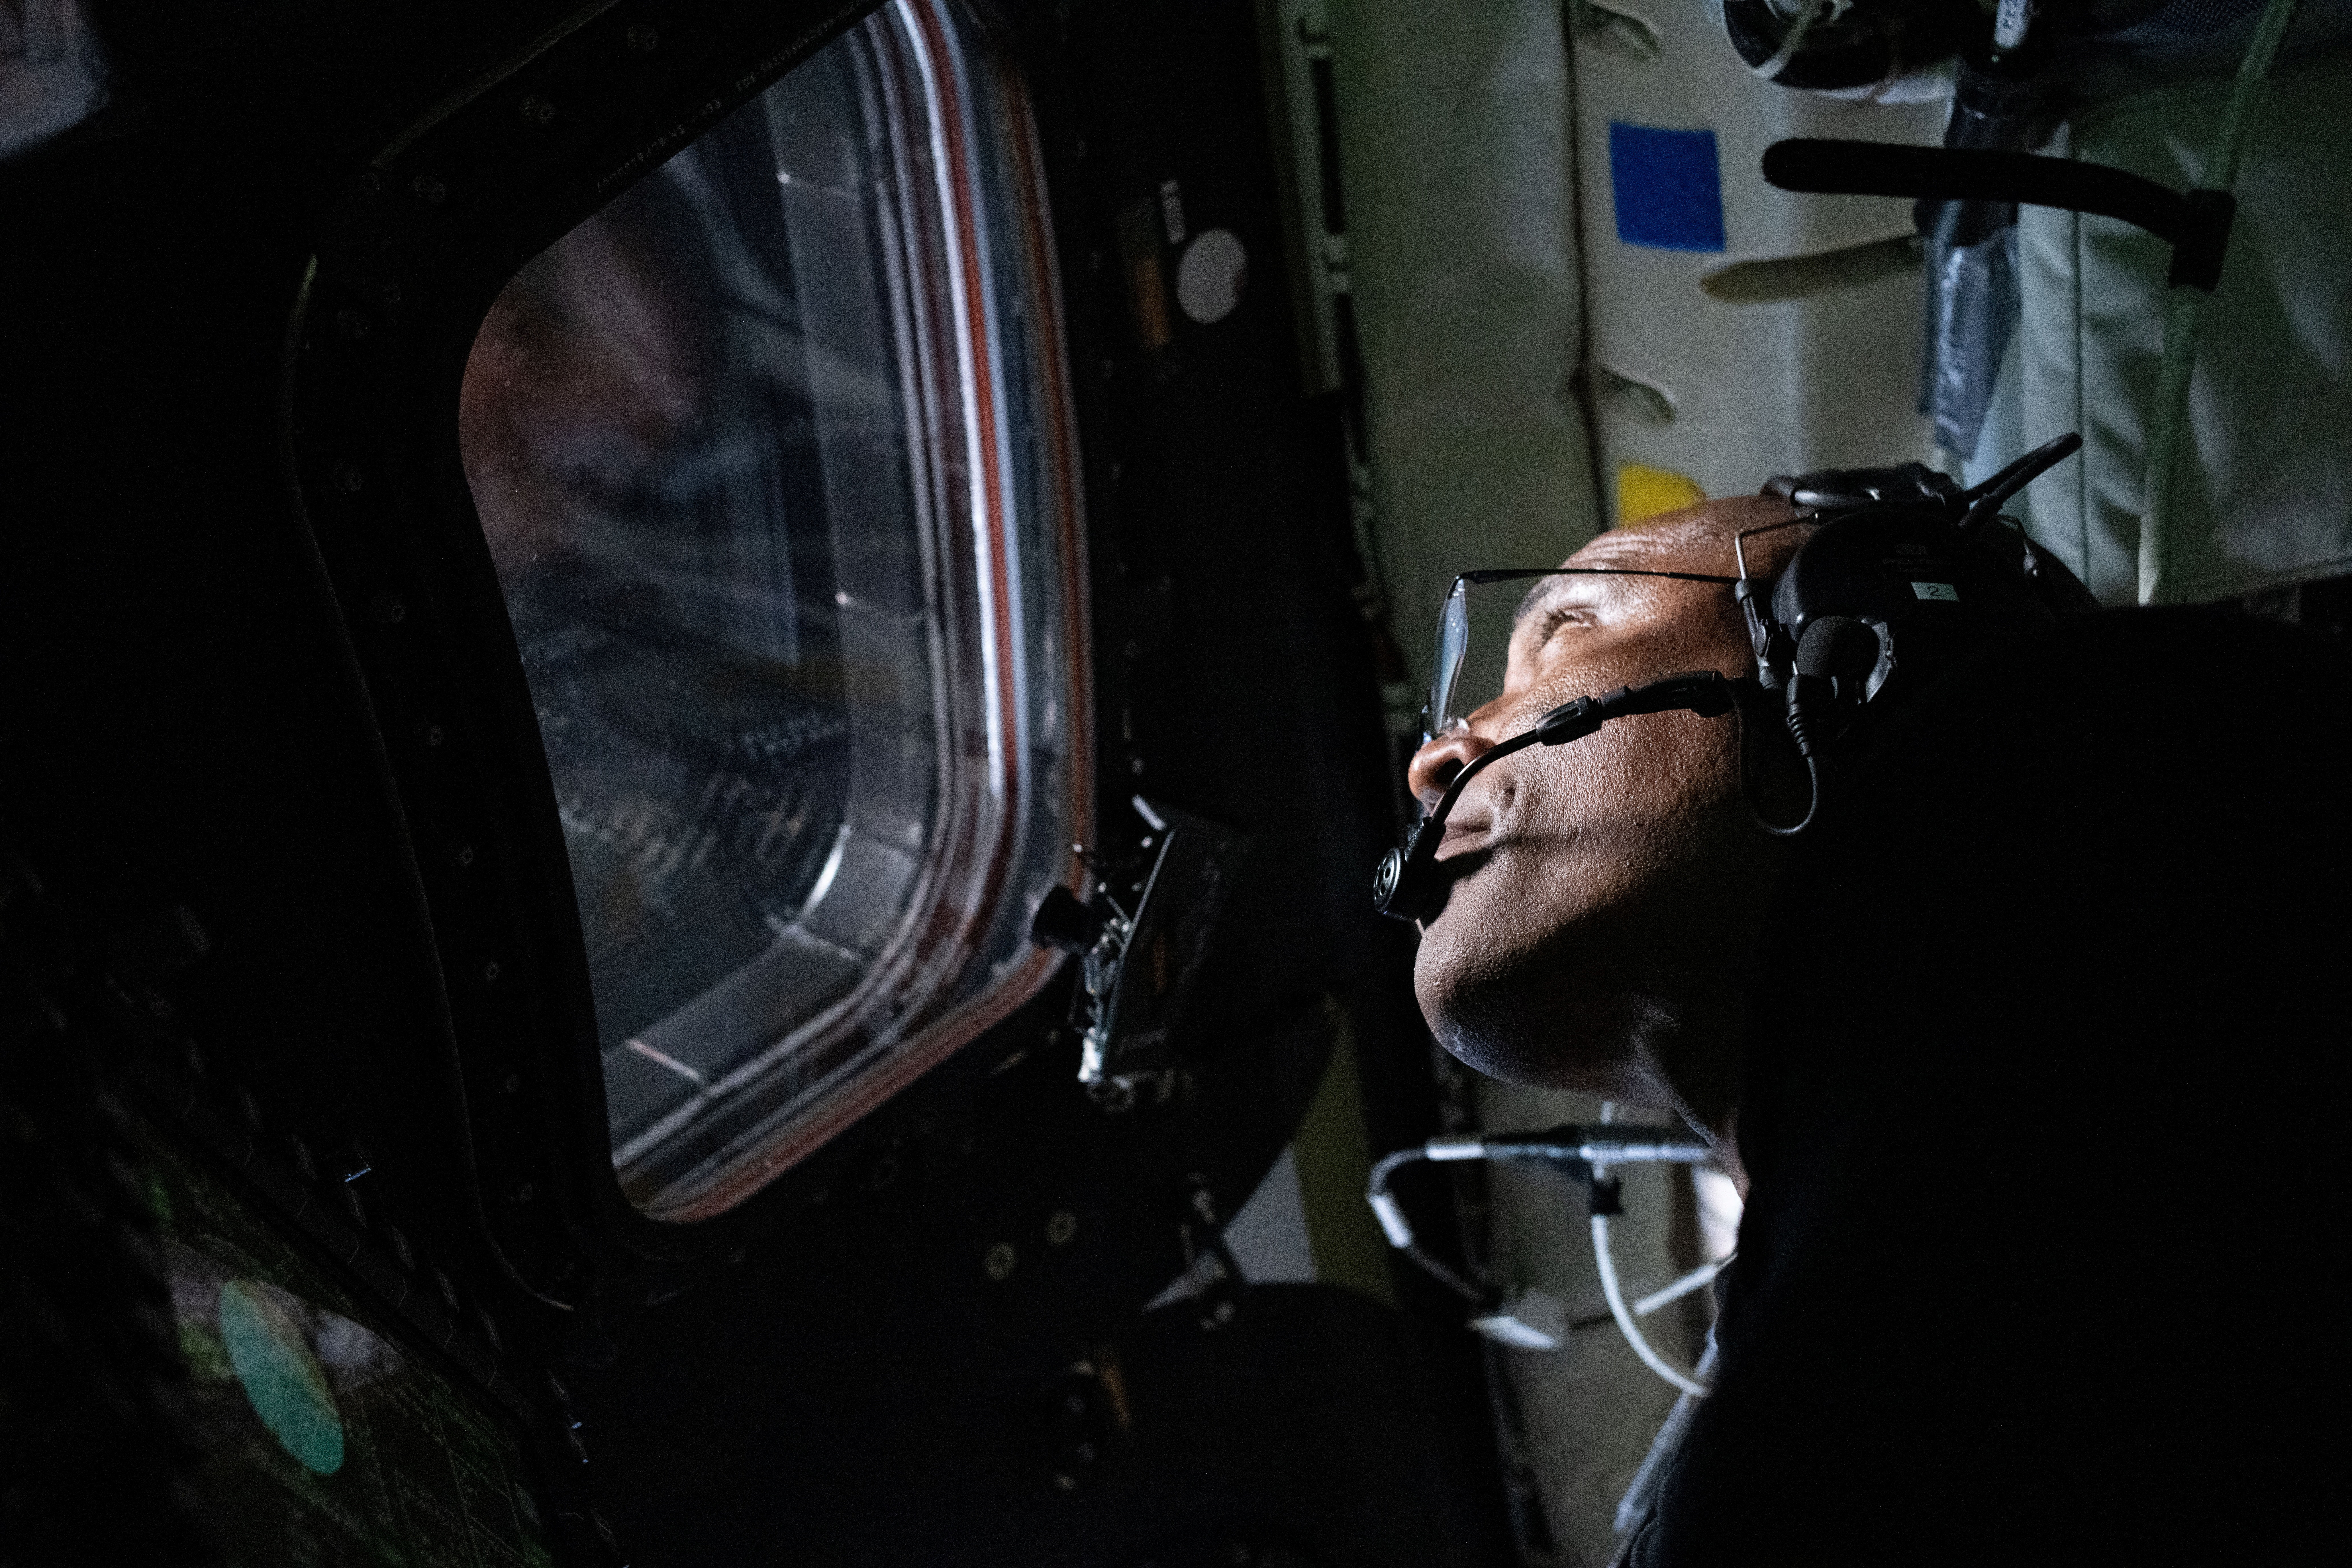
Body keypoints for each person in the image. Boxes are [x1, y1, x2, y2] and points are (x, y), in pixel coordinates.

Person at [1404, 494, 2349, 1563]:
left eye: (1565, 631)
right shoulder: (1741, 1461)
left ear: (1849, 644)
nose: (1434, 759)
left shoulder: (2211, 814)